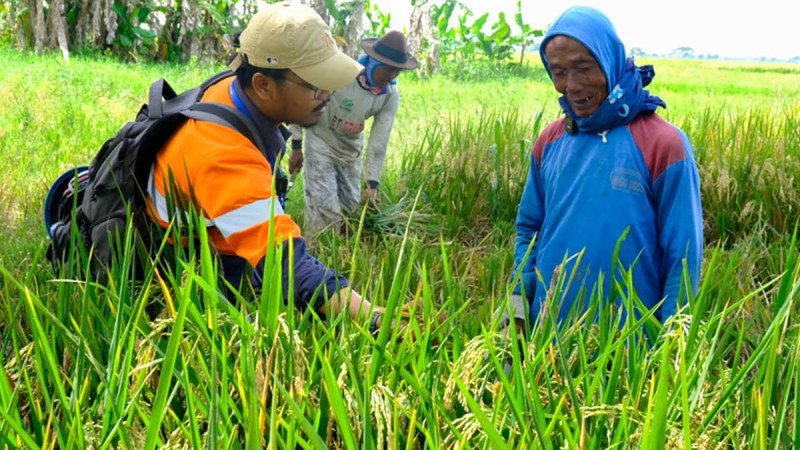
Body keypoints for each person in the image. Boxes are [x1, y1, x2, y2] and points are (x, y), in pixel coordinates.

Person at [145, 2, 389, 329]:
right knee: (251, 325)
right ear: (263, 84)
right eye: (315, 84)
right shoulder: (222, 151)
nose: (328, 94)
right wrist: (372, 318)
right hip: (175, 259)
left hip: (208, 229)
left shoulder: (234, 90)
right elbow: (286, 263)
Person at [498, 6, 703, 332]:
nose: (572, 85)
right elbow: (528, 231)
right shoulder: (550, 142)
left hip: (630, 349)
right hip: (547, 341)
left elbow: (683, 254)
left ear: (609, 60)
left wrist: (674, 344)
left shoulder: (664, 144)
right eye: (558, 71)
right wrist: (517, 313)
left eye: (583, 68)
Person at [288, 30, 418, 234]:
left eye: (397, 72)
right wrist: (296, 145)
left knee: (351, 213)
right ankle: (317, 255)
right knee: (325, 210)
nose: (392, 76)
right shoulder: (341, 74)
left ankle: (344, 257)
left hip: (350, 151)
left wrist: (372, 183)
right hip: (321, 142)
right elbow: (302, 102)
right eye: (388, 69)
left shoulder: (389, 96)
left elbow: (379, 141)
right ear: (373, 62)